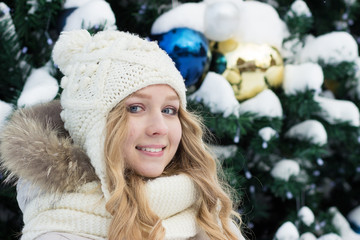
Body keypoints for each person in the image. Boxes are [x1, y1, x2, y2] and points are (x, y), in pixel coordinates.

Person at [0, 29, 244, 240]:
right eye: (135, 108)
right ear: (94, 128)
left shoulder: (207, 213)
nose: (159, 127)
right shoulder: (61, 231)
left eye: (169, 110)